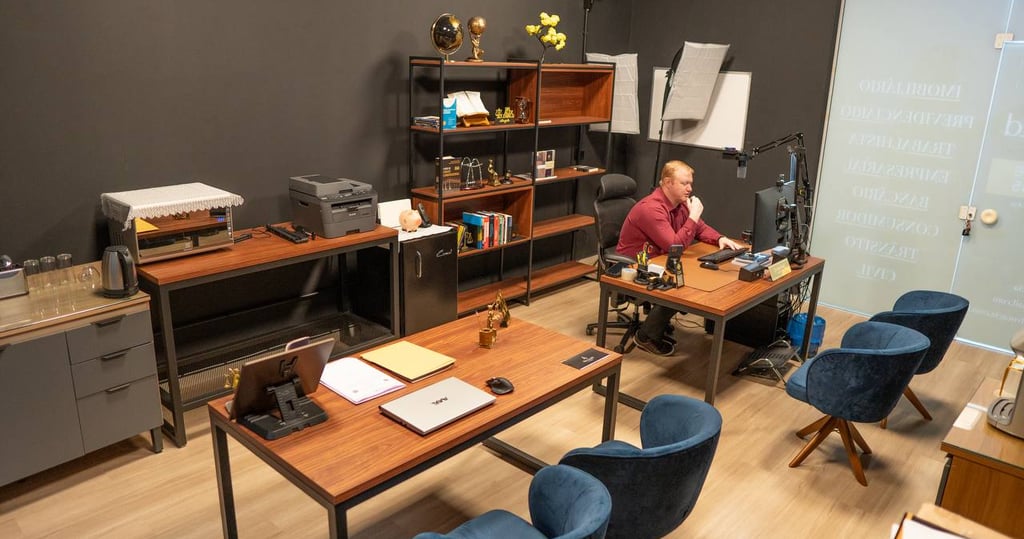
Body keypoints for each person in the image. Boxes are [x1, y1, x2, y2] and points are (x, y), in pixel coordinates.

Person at [616, 160, 744, 356]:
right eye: (684, 183)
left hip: (661, 260)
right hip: (636, 265)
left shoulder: (680, 204)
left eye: (690, 183)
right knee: (679, 286)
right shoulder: (651, 208)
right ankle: (646, 336)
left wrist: (720, 238)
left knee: (690, 276)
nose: (690, 188)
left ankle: (656, 324)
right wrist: (693, 216)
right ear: (668, 183)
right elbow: (674, 246)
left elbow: (699, 228)